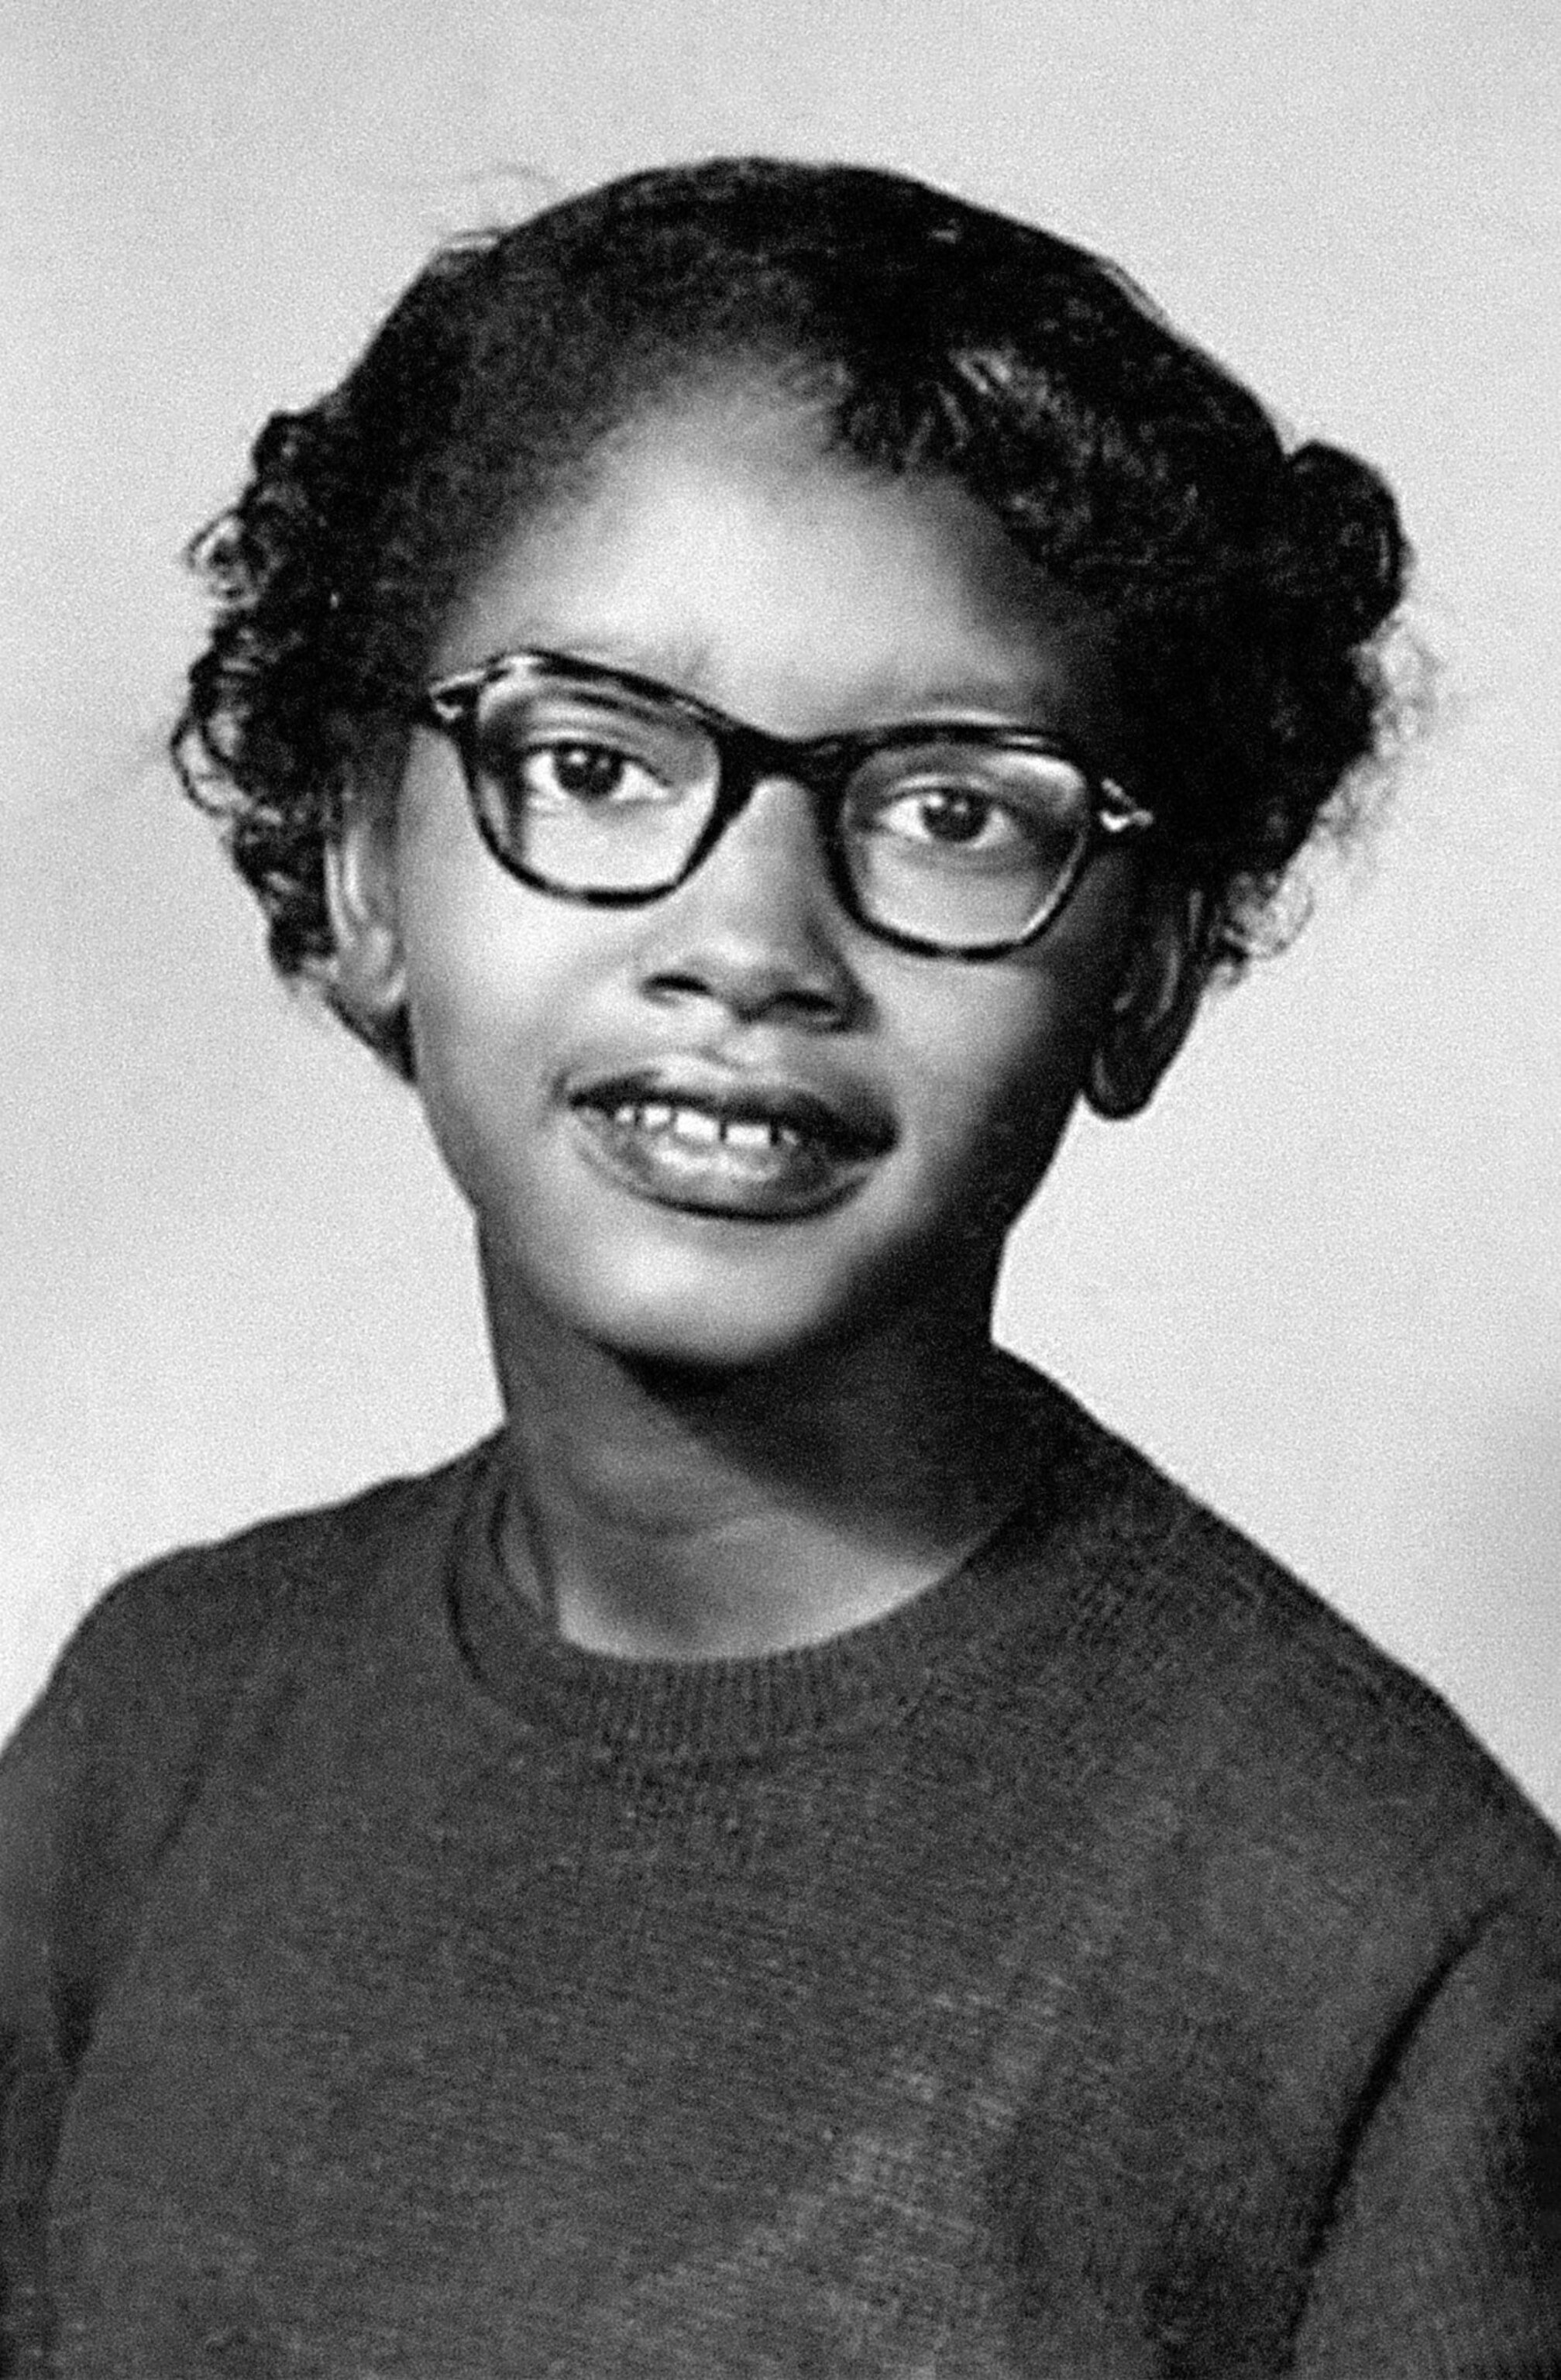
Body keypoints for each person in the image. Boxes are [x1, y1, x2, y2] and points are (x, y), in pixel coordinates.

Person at [2, 156, 1557, 2378]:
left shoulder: (1386, 1956)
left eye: (951, 808)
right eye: (591, 758)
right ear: (359, 870)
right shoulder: (151, 1744)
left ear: (1151, 973)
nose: (745, 939)